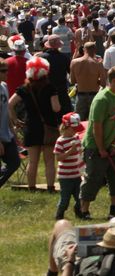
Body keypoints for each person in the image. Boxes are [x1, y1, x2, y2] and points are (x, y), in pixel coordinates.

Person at [78, 66, 115, 220]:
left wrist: (113, 144)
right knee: (94, 178)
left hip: (110, 145)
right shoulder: (101, 99)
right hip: (94, 146)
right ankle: (83, 210)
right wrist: (101, 148)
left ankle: (114, 210)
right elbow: (97, 127)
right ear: (114, 81)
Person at [8, 56, 60, 191]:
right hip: (48, 126)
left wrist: (14, 119)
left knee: (33, 161)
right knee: (49, 161)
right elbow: (56, 108)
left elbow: (10, 104)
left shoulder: (24, 88)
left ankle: (31, 187)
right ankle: (50, 187)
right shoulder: (50, 88)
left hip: (31, 127)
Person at [54, 112, 84, 220]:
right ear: (66, 127)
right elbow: (58, 158)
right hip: (65, 176)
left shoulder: (75, 138)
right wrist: (70, 151)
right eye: (73, 129)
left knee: (80, 196)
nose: (75, 131)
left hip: (76, 174)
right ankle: (59, 213)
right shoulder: (60, 141)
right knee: (65, 198)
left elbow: (80, 150)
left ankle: (79, 211)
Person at [70, 41, 107, 121]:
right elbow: (104, 84)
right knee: (94, 121)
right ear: (95, 50)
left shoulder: (74, 62)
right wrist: (96, 81)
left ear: (84, 50)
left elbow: (72, 81)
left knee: (78, 122)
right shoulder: (98, 63)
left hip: (80, 95)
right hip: (94, 95)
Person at [0, 61, 19, 188]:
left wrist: (12, 130)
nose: (7, 73)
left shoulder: (4, 86)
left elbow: (6, 109)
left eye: (7, 70)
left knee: (14, 162)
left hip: (6, 134)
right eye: (3, 71)